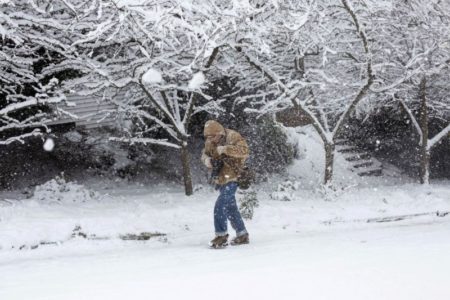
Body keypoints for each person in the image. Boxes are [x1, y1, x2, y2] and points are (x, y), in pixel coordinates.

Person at [201, 120, 250, 248]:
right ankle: (242, 234)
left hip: (234, 176)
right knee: (230, 207)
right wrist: (207, 160)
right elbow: (204, 154)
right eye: (208, 137)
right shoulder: (210, 142)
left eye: (212, 136)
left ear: (220, 133)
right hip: (221, 178)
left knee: (220, 205)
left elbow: (244, 151)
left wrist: (226, 149)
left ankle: (221, 236)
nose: (210, 140)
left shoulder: (233, 136)